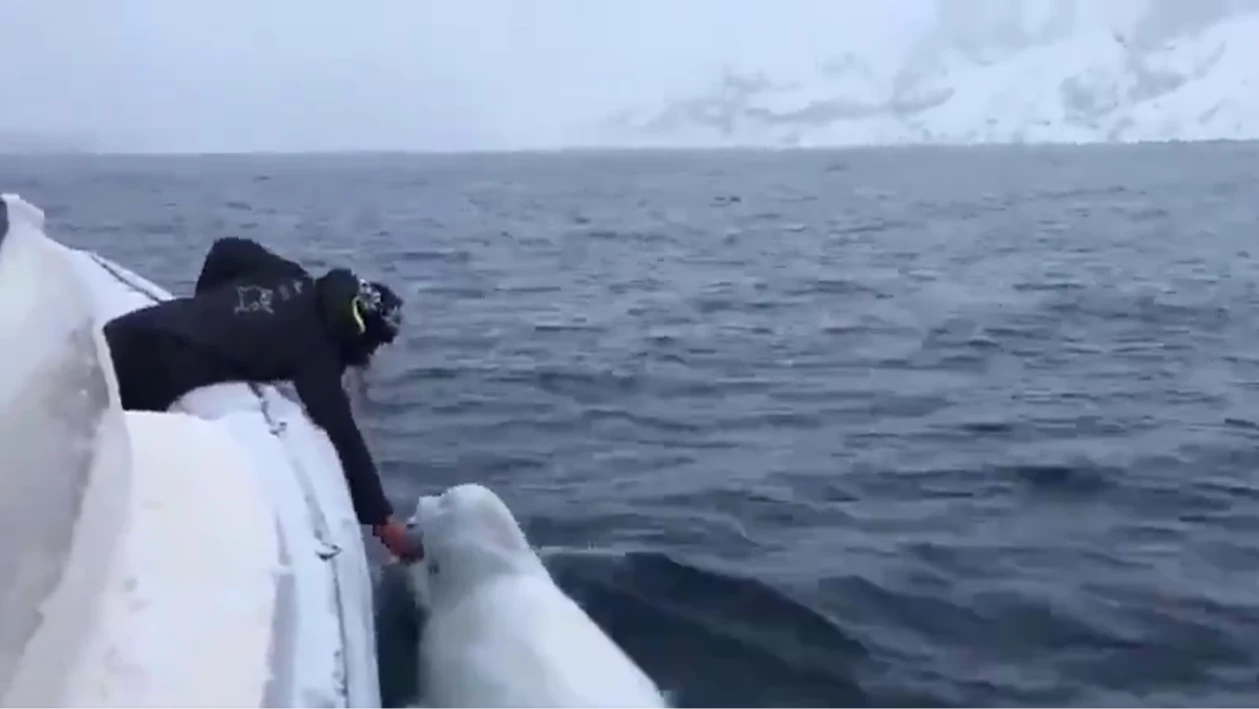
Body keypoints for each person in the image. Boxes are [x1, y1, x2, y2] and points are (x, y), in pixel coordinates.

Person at [101, 236, 419, 561]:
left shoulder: (292, 278)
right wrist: (381, 521)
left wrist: (209, 317)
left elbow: (226, 249)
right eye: (375, 346)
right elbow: (343, 435)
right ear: (360, 332)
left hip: (123, 333)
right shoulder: (315, 353)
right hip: (143, 369)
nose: (371, 355)